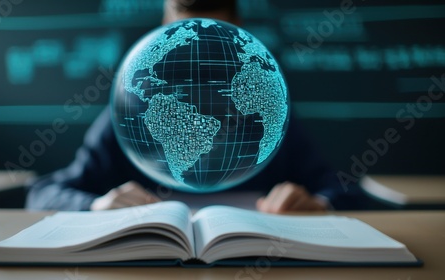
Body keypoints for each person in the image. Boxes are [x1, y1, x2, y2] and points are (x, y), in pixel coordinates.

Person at [26, 0, 370, 212]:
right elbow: (44, 194)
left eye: (213, 40)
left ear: (239, 37)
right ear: (163, 33)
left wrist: (318, 204)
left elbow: (346, 191)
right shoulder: (133, 111)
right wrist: (96, 205)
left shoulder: (270, 111)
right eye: (186, 36)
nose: (199, 60)